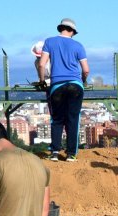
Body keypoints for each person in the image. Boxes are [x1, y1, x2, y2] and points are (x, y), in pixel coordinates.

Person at [40, 19, 89, 162]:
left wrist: (42, 80)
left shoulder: (49, 42)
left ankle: (55, 152)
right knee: (73, 119)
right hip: (75, 85)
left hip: (57, 86)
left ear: (60, 28)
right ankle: (71, 154)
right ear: (73, 31)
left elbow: (42, 64)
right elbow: (86, 70)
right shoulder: (78, 45)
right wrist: (82, 80)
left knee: (57, 119)